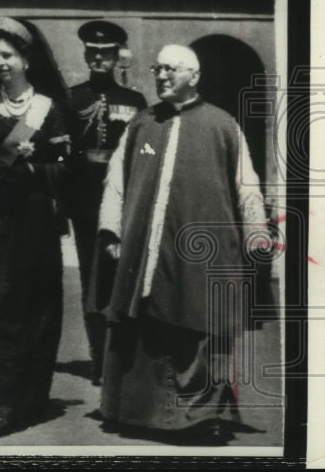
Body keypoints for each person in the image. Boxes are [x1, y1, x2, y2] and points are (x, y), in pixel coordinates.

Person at [96, 44, 266, 444]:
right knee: (144, 324)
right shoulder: (141, 124)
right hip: (144, 249)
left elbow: (247, 184)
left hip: (200, 253)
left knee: (197, 324)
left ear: (195, 76)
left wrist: (256, 228)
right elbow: (115, 183)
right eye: (157, 69)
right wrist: (112, 231)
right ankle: (139, 413)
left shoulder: (222, 125)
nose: (161, 76)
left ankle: (200, 417)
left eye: (171, 69)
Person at [0, 16, 73, 437]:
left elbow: (63, 164)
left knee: (30, 304)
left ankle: (23, 400)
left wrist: (35, 172)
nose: (0, 61)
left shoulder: (48, 109)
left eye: (9, 54)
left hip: (33, 221)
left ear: (26, 59)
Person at [67, 20, 146, 385]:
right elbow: (63, 157)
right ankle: (99, 359)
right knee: (91, 280)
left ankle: (122, 356)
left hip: (122, 202)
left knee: (121, 278)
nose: (99, 59)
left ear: (117, 57)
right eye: (94, 53)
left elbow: (142, 156)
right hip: (85, 203)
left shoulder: (134, 102)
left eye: (107, 53)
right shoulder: (72, 99)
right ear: (86, 55)